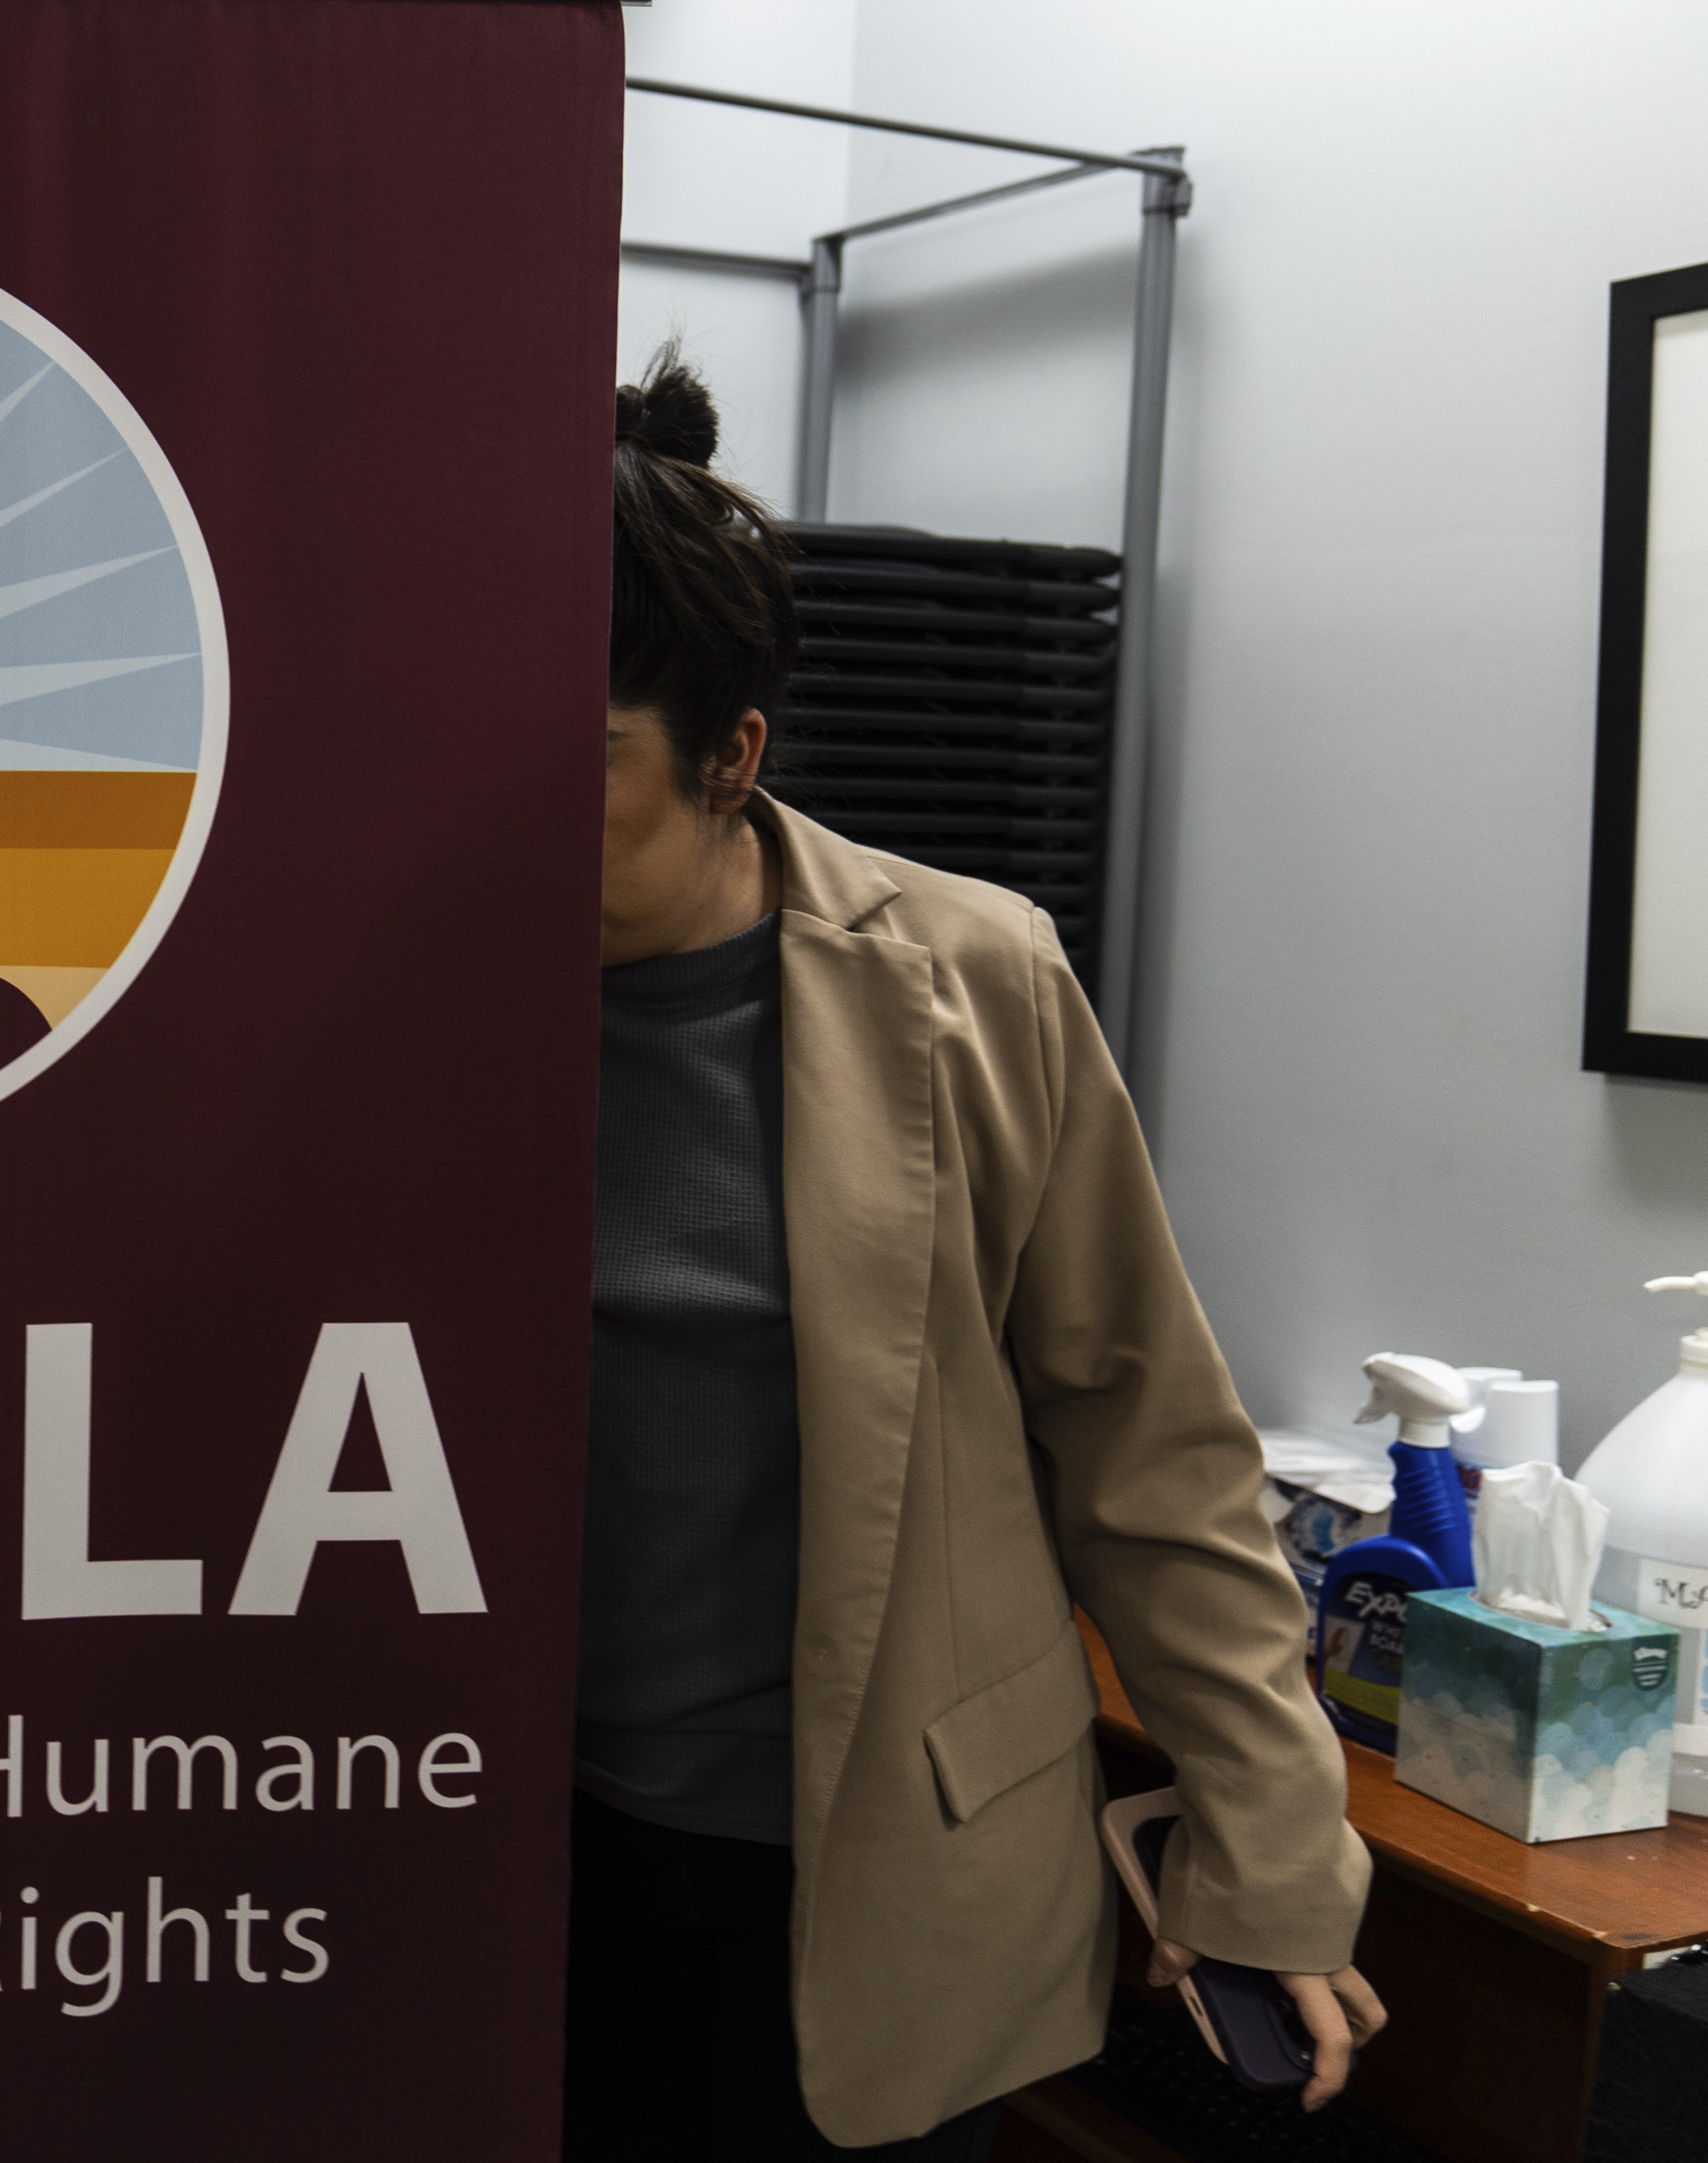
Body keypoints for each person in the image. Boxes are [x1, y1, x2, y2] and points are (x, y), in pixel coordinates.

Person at [565, 351, 1388, 2159]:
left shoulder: (968, 981)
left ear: (733, 757)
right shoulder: (401, 1007)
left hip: (859, 1858)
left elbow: (1145, 1439)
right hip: (501, 1843)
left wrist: (1265, 1838)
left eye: (577, 760)